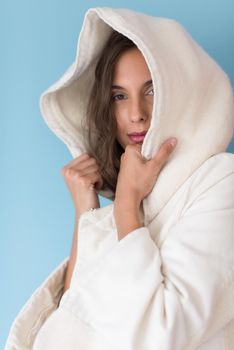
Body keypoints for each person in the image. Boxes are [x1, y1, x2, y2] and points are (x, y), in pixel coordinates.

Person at [5, 6, 234, 350]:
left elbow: (162, 335)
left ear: (183, 91)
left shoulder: (222, 181)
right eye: (119, 96)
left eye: (152, 90)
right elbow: (75, 320)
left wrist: (126, 203)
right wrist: (87, 210)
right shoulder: (136, 199)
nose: (136, 114)